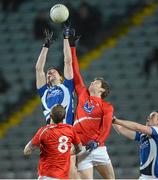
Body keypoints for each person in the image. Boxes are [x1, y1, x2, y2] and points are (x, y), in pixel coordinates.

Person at [69, 29, 115, 179]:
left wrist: (97, 142)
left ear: (101, 89)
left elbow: (106, 129)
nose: (91, 82)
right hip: (82, 149)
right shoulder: (83, 93)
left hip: (98, 148)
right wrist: (72, 47)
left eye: (95, 82)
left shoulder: (107, 107)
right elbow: (76, 73)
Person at [24, 104, 82, 179]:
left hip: (47, 175)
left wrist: (42, 149)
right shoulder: (70, 130)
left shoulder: (44, 131)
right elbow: (80, 148)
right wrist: (67, 153)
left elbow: (26, 151)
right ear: (64, 117)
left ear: (50, 115)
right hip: (63, 177)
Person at [112, 111, 158, 179]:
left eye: (152, 116)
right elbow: (121, 130)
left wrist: (116, 121)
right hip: (144, 176)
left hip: (157, 176)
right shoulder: (143, 135)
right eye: (149, 116)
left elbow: (138, 127)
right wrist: (110, 117)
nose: (148, 117)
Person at [36, 29, 74, 125]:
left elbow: (68, 62)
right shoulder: (44, 92)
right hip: (51, 131)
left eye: (53, 72)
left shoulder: (67, 86)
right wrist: (45, 46)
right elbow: (39, 69)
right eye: (48, 73)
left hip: (67, 129)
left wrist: (66, 38)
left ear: (61, 77)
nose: (50, 73)